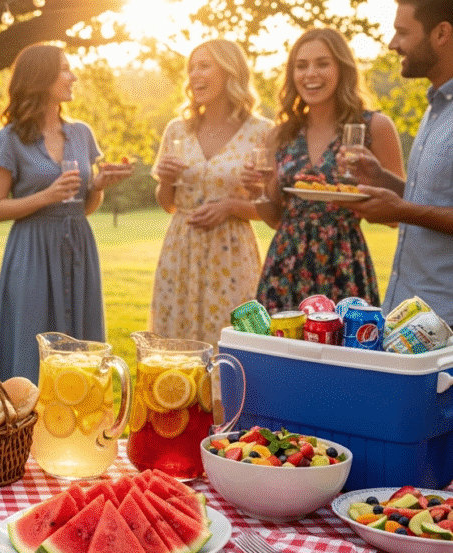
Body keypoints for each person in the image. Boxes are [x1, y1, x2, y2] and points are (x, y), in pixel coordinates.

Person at [0, 44, 134, 382]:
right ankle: (25, 408)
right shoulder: (9, 139)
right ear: (41, 77)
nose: (73, 76)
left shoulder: (81, 133)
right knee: (31, 337)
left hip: (78, 245)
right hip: (32, 251)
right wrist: (47, 196)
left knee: (82, 342)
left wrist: (98, 185)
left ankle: (80, 408)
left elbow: (86, 206)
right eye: (65, 69)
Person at [249, 28, 405, 313]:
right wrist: (257, 190)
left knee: (344, 341)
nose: (310, 74)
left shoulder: (373, 127)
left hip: (343, 262)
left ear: (342, 69)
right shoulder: (280, 134)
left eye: (322, 63)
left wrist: (366, 187)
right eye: (301, 65)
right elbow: (275, 218)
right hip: (285, 265)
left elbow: (398, 216)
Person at [150, 40, 271, 347]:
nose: (194, 75)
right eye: (191, 68)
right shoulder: (177, 130)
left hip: (232, 255)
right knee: (176, 346)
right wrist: (166, 181)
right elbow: (168, 204)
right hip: (181, 250)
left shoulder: (262, 132)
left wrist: (231, 206)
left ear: (230, 71)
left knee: (232, 343)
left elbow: (272, 208)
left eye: (204, 66)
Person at [347, 0, 453, 326]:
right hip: (407, 316)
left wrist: (401, 211)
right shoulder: (437, 106)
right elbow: (434, 199)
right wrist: (382, 179)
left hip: (444, 324)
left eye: (402, 32)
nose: (393, 44)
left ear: (441, 34)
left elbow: (413, 210)